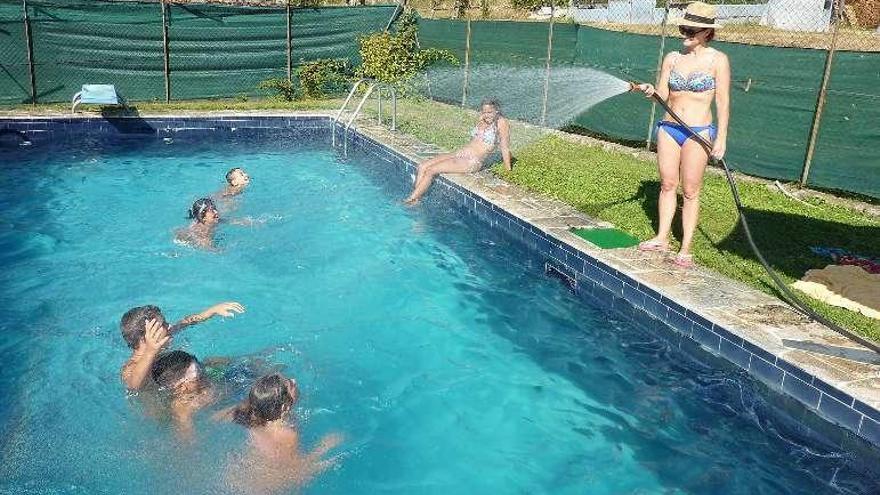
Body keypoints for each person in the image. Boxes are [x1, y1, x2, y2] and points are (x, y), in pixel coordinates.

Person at [634, 1, 730, 268]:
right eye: (684, 27)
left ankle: (686, 246)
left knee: (690, 190)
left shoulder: (718, 60)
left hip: (698, 132)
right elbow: (664, 96)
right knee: (667, 185)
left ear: (707, 33)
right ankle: (662, 237)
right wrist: (651, 91)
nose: (685, 32)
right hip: (669, 128)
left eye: (692, 29)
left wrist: (720, 138)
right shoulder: (672, 58)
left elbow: (722, 102)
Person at [215, 374, 343, 494]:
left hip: (238, 479)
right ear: (284, 407)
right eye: (290, 386)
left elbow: (215, 417)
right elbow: (297, 475)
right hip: (263, 489)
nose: (294, 381)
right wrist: (324, 447)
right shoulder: (287, 435)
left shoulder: (251, 413)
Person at [404, 98, 512, 205]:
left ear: (496, 111)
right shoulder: (482, 120)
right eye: (484, 112)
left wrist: (508, 172)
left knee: (431, 170)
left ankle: (412, 199)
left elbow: (505, 147)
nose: (487, 115)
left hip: (472, 161)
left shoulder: (501, 123)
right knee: (422, 166)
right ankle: (417, 197)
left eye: (490, 112)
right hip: (460, 153)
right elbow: (474, 141)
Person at [119, 302, 245, 391]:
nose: (169, 326)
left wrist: (211, 311)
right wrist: (151, 351)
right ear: (146, 337)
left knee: (214, 361)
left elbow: (185, 322)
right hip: (172, 407)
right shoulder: (131, 367)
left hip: (190, 377)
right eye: (163, 324)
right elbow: (133, 385)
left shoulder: (161, 338)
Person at [150, 350, 217, 440]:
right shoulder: (183, 406)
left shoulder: (210, 366)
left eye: (200, 369)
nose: (203, 375)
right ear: (181, 387)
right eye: (197, 377)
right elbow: (188, 441)